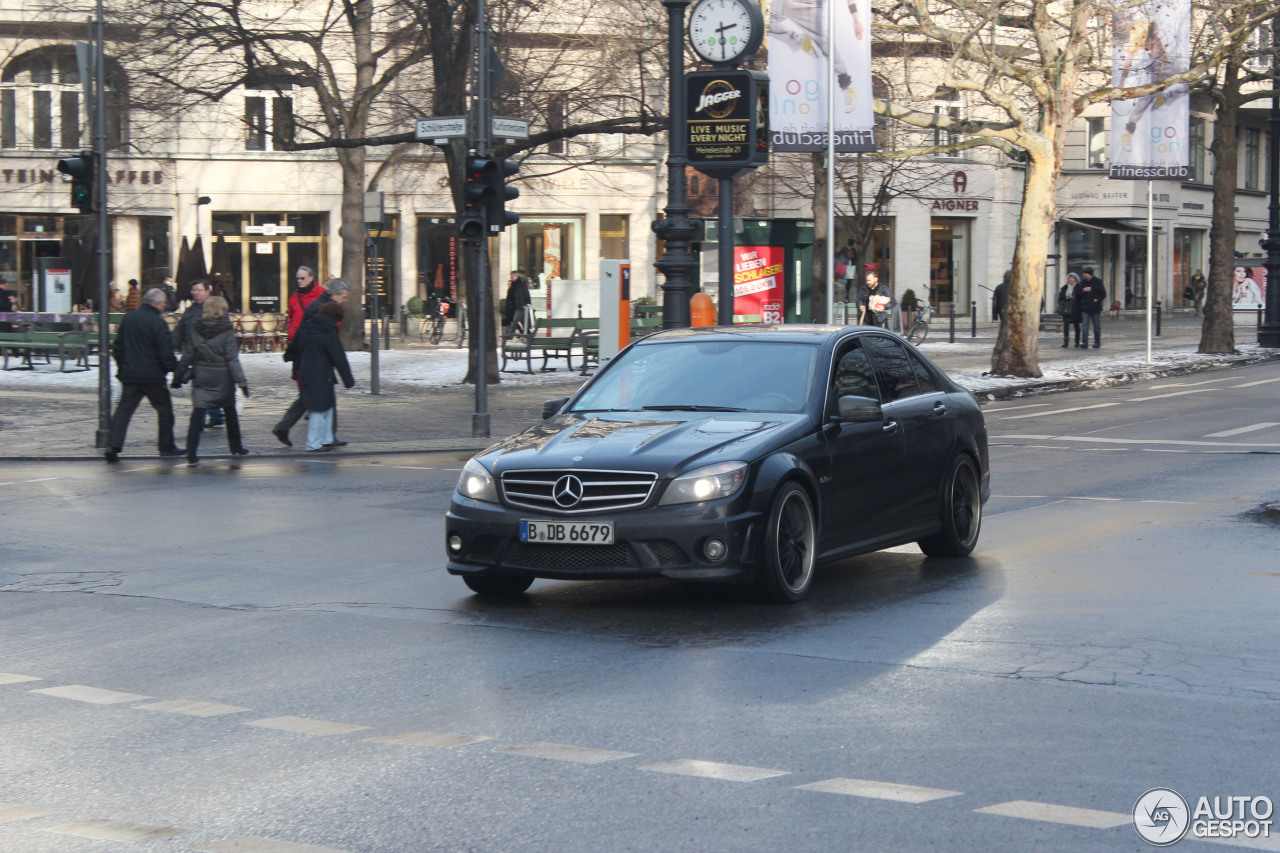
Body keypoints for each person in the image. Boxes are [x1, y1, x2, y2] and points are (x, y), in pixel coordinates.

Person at [104, 288, 184, 462]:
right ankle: (166, 447)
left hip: (131, 375)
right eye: (163, 303)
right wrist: (173, 369)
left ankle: (113, 445)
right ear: (157, 304)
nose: (164, 307)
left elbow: (118, 348)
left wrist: (123, 368)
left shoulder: (129, 319)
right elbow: (165, 352)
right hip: (153, 377)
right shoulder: (158, 323)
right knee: (165, 411)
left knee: (124, 411)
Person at [172, 296, 249, 465]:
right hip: (223, 378)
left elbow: (188, 355)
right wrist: (242, 382)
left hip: (202, 376)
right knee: (230, 412)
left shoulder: (195, 329)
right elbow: (232, 360)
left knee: (197, 414)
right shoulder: (227, 331)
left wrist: (178, 375)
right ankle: (236, 447)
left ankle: (191, 451)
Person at [274, 277, 350, 447]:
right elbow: (305, 333)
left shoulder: (325, 305)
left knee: (313, 397)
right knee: (316, 397)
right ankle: (323, 437)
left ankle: (327, 435)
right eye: (344, 297)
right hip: (313, 359)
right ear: (335, 294)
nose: (346, 301)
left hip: (315, 358)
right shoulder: (321, 308)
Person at [295, 300, 354, 452]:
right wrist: (348, 380)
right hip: (322, 373)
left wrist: (292, 360)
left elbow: (297, 345)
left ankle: (327, 438)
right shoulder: (329, 331)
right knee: (319, 409)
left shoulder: (309, 326)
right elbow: (339, 358)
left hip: (307, 371)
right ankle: (313, 443)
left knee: (326, 406)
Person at [173, 279, 224, 428]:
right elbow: (179, 331)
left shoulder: (215, 309)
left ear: (208, 291)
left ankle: (200, 420)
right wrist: (169, 344)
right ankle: (215, 415)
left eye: (198, 290)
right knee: (204, 388)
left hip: (210, 357)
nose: (195, 294)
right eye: (193, 291)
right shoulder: (190, 311)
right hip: (194, 355)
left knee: (203, 388)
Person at [1077, 267, 1106, 347]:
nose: (1084, 275)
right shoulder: (1082, 283)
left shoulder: (1098, 282)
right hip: (1085, 308)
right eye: (1084, 273)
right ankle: (1084, 342)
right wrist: (1083, 290)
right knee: (1085, 325)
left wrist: (1097, 299)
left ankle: (1097, 342)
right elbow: (1078, 294)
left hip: (1095, 307)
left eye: (1086, 273)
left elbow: (1103, 294)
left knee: (1097, 326)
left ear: (1090, 274)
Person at [1057, 273, 1083, 348]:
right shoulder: (1064, 288)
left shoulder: (1079, 287)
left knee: (1076, 325)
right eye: (1070, 278)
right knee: (1066, 325)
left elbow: (1081, 297)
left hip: (1076, 309)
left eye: (1072, 278)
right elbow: (1060, 298)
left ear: (1076, 279)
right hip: (1066, 309)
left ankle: (1077, 341)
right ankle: (1066, 341)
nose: (1071, 280)